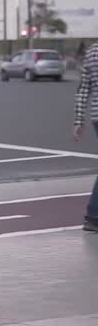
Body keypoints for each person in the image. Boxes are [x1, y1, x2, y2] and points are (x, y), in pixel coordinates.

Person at [72, 42, 98, 233]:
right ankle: (93, 215)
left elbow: (83, 89)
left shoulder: (92, 51)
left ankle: (93, 216)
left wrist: (79, 120)